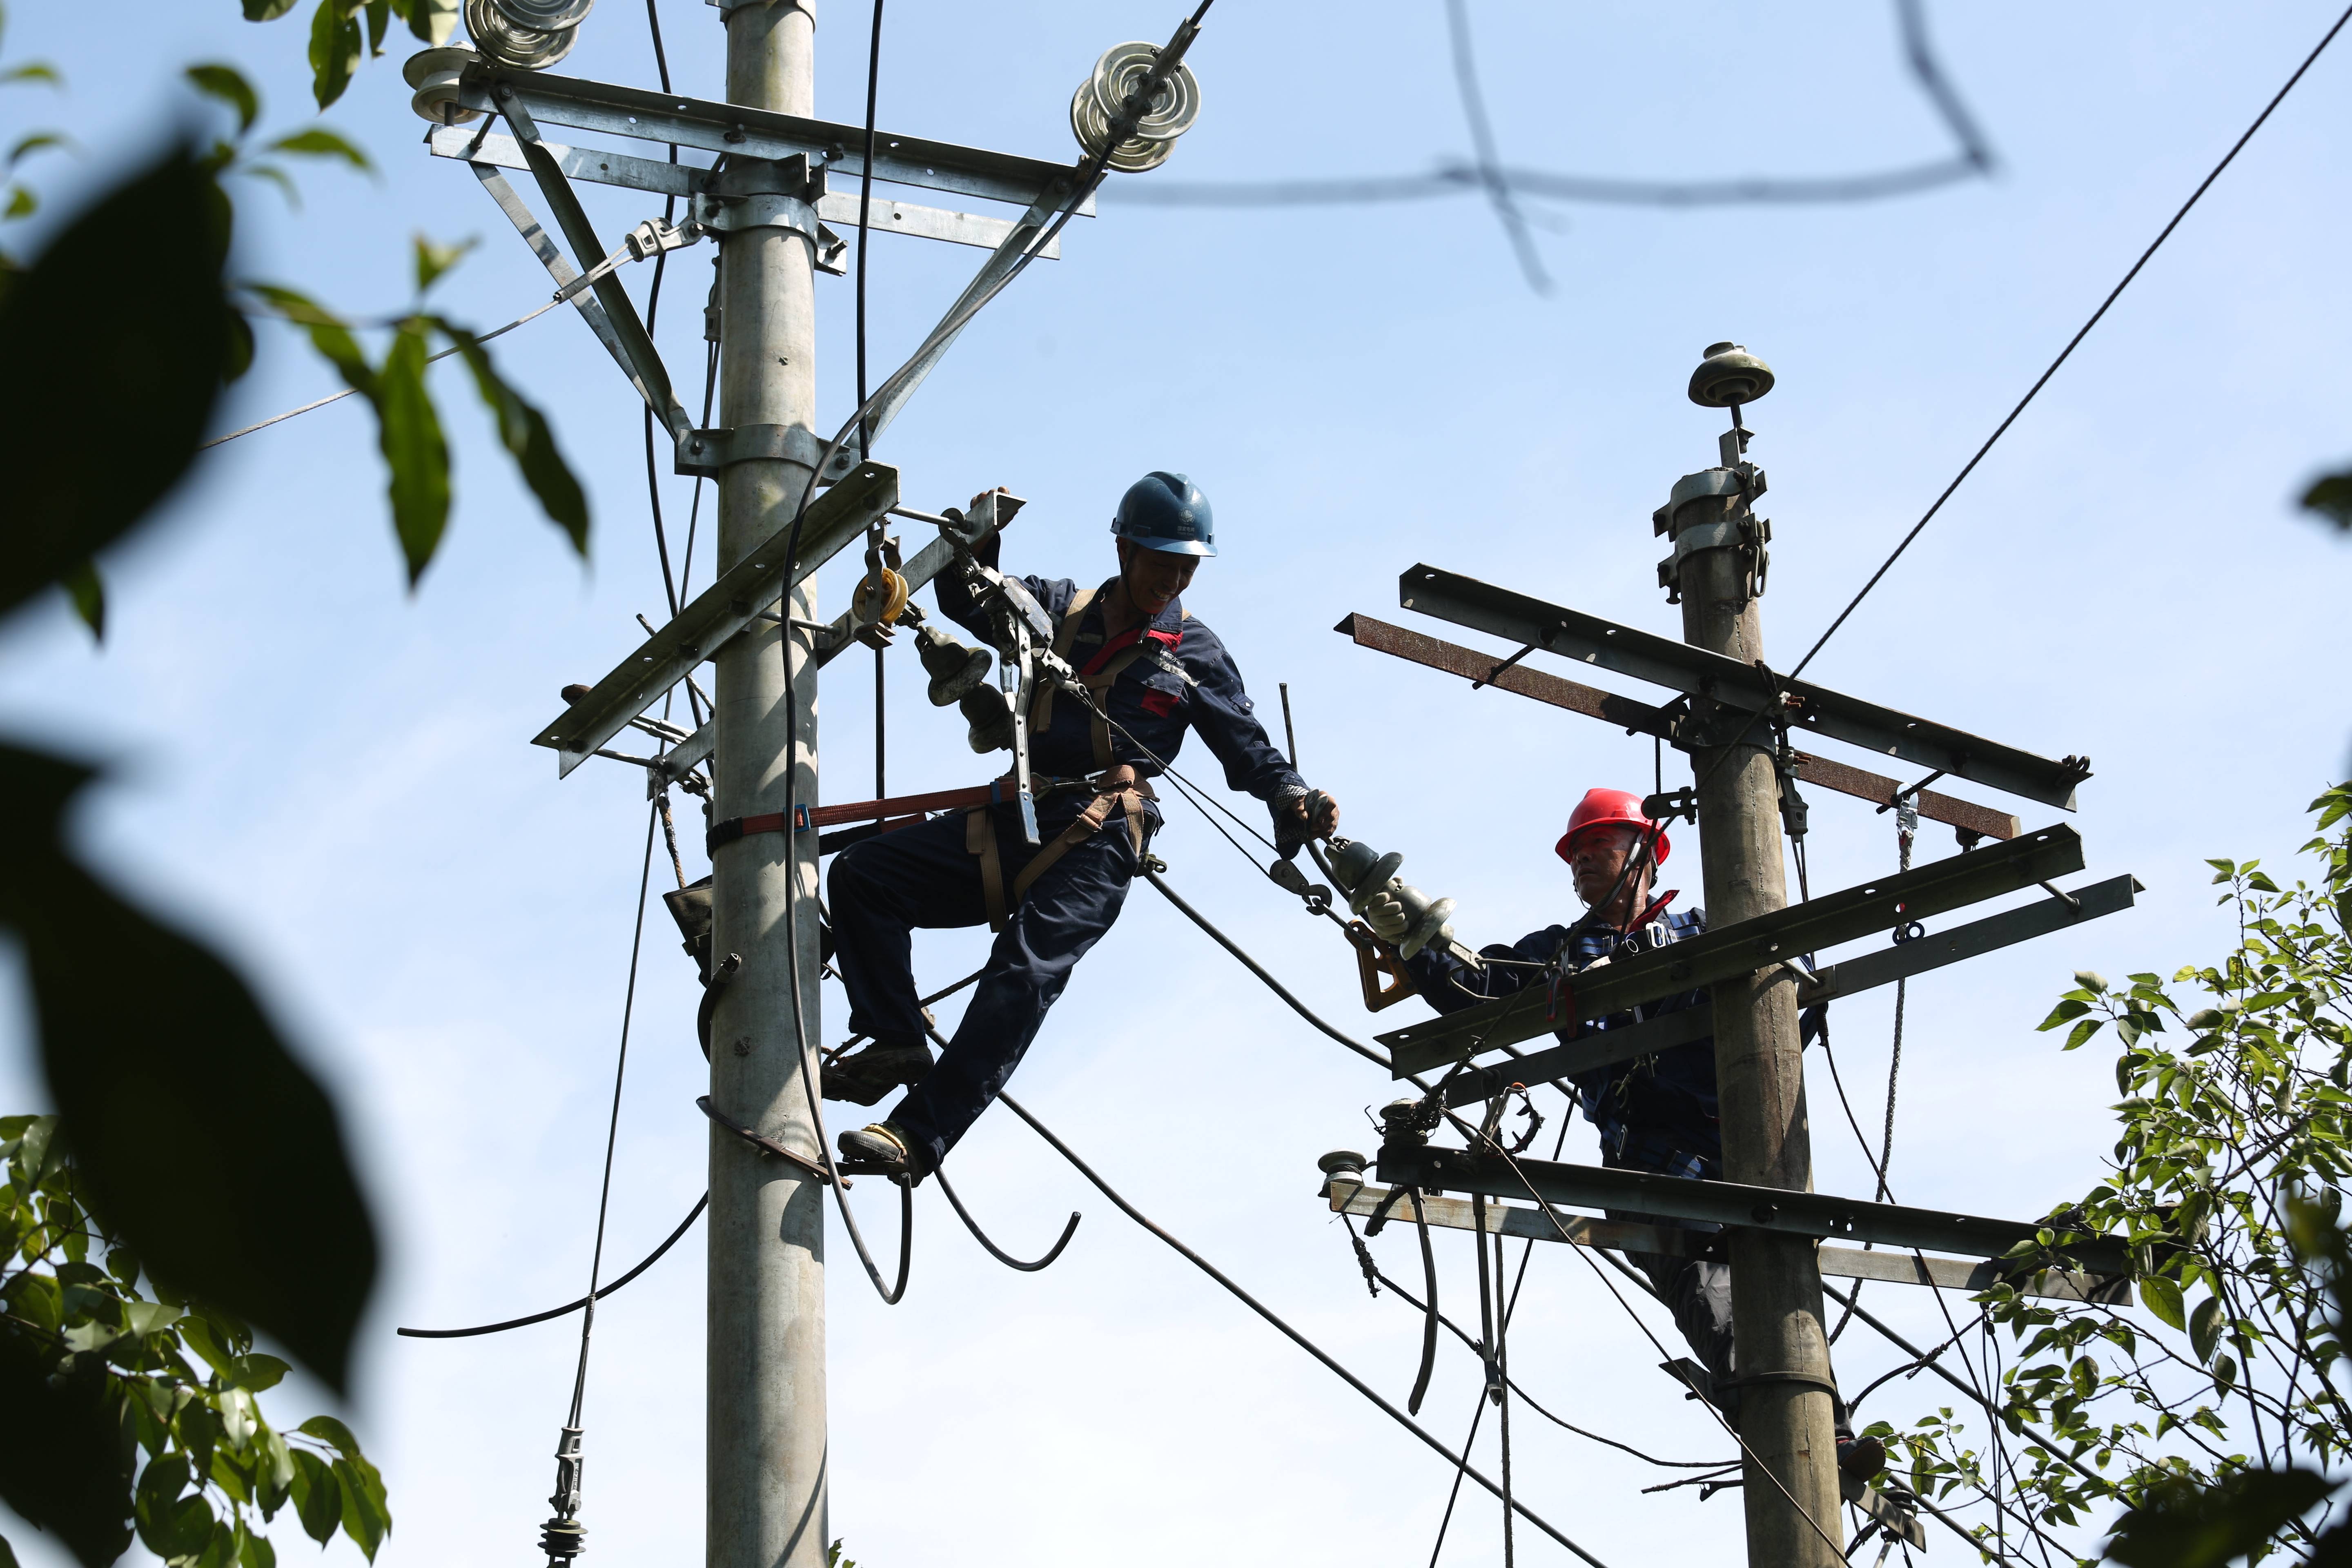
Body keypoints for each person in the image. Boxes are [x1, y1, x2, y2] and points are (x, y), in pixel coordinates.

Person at [826, 472, 1340, 1180]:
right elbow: (977, 603)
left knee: (1024, 970)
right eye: (1163, 560)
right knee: (863, 877)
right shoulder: (1061, 607)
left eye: (1187, 564)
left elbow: (1247, 746)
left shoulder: (1193, 652)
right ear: (1125, 549)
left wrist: (1294, 797)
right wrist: (973, 547)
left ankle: (919, 1136)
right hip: (1019, 817)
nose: (1174, 577)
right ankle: (896, 1040)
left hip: (1101, 835)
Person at [1365, 787, 1881, 1479]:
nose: (1580, 862)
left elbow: (1795, 995)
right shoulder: (1561, 954)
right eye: (1574, 853)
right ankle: (1788, 1438)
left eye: (1597, 846)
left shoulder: (1710, 931)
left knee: (1787, 1295)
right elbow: (1481, 990)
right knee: (1711, 1293)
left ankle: (1832, 1438)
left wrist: (1779, 969)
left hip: (1743, 1155)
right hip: (1648, 1166)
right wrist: (1415, 941)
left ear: (1644, 852)